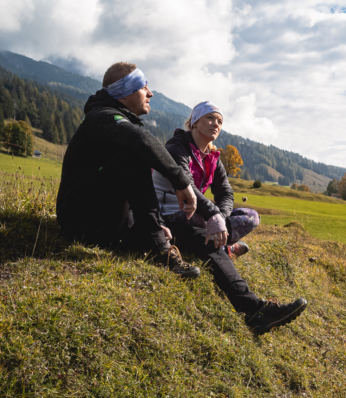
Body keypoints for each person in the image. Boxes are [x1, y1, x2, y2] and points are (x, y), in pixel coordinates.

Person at [153, 101, 308, 334]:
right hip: (171, 216)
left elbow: (225, 192)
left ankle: (223, 243)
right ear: (194, 122)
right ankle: (254, 310)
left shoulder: (213, 157)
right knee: (210, 247)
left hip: (200, 215)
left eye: (220, 121)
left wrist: (221, 218)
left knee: (250, 216)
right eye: (210, 118)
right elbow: (185, 185)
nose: (216, 124)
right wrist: (213, 213)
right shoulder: (177, 147)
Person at [56, 62, 200, 278]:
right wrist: (181, 181)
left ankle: (157, 238)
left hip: (100, 214)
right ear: (125, 90)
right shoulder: (102, 117)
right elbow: (141, 140)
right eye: (144, 87)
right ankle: (159, 250)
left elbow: (129, 185)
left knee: (134, 154)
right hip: (79, 223)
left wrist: (157, 223)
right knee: (134, 153)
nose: (150, 93)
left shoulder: (113, 120)